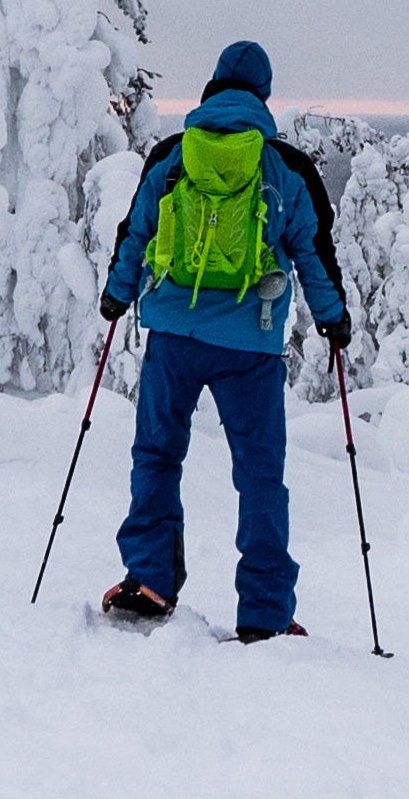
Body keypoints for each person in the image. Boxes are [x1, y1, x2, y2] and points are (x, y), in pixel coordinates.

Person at [98, 40, 354, 641]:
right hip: (252, 344)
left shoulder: (173, 155)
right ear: (263, 94)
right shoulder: (284, 167)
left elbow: (135, 232)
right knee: (260, 474)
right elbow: (313, 251)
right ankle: (264, 614)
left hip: (174, 333)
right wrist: (332, 318)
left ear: (213, 86)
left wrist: (116, 296)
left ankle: (150, 579)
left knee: (158, 454)